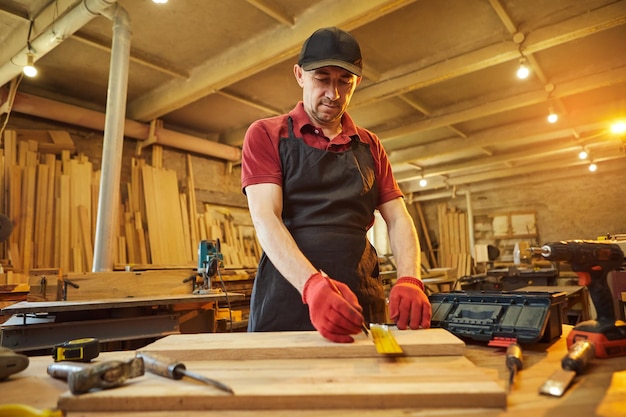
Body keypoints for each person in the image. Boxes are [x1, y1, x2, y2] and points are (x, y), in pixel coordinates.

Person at [241, 27, 431, 343]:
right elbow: (266, 218)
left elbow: (398, 218)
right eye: (322, 78)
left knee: (369, 388)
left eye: (345, 81)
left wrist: (410, 278)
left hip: (360, 296)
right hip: (288, 295)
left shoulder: (370, 146)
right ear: (299, 75)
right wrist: (313, 285)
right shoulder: (266, 135)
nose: (334, 93)